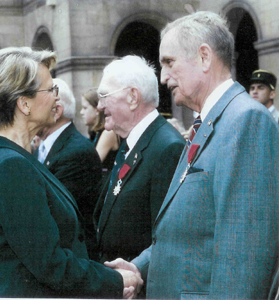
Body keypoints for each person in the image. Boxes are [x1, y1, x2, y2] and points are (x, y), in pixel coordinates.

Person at [106, 11, 279, 299]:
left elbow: (243, 255)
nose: (163, 78)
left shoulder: (246, 122)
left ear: (204, 57)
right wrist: (139, 268)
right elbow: (189, 233)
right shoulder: (210, 122)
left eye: (169, 63)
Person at [0, 46, 141, 298]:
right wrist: (115, 280)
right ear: (24, 104)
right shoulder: (10, 165)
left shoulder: (11, 158)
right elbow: (49, 263)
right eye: (50, 89)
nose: (57, 98)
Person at [94, 55, 185, 265]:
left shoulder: (167, 148)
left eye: (104, 96)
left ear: (133, 97)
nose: (99, 106)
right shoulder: (133, 140)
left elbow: (166, 237)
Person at [35, 78, 102, 260]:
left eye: (34, 103)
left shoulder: (76, 152)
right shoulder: (42, 147)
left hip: (72, 260)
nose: (27, 111)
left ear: (56, 111)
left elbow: (49, 212)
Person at [80, 88, 120, 179]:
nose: (81, 112)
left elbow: (92, 165)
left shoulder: (108, 133)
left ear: (97, 110)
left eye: (85, 108)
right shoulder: (95, 133)